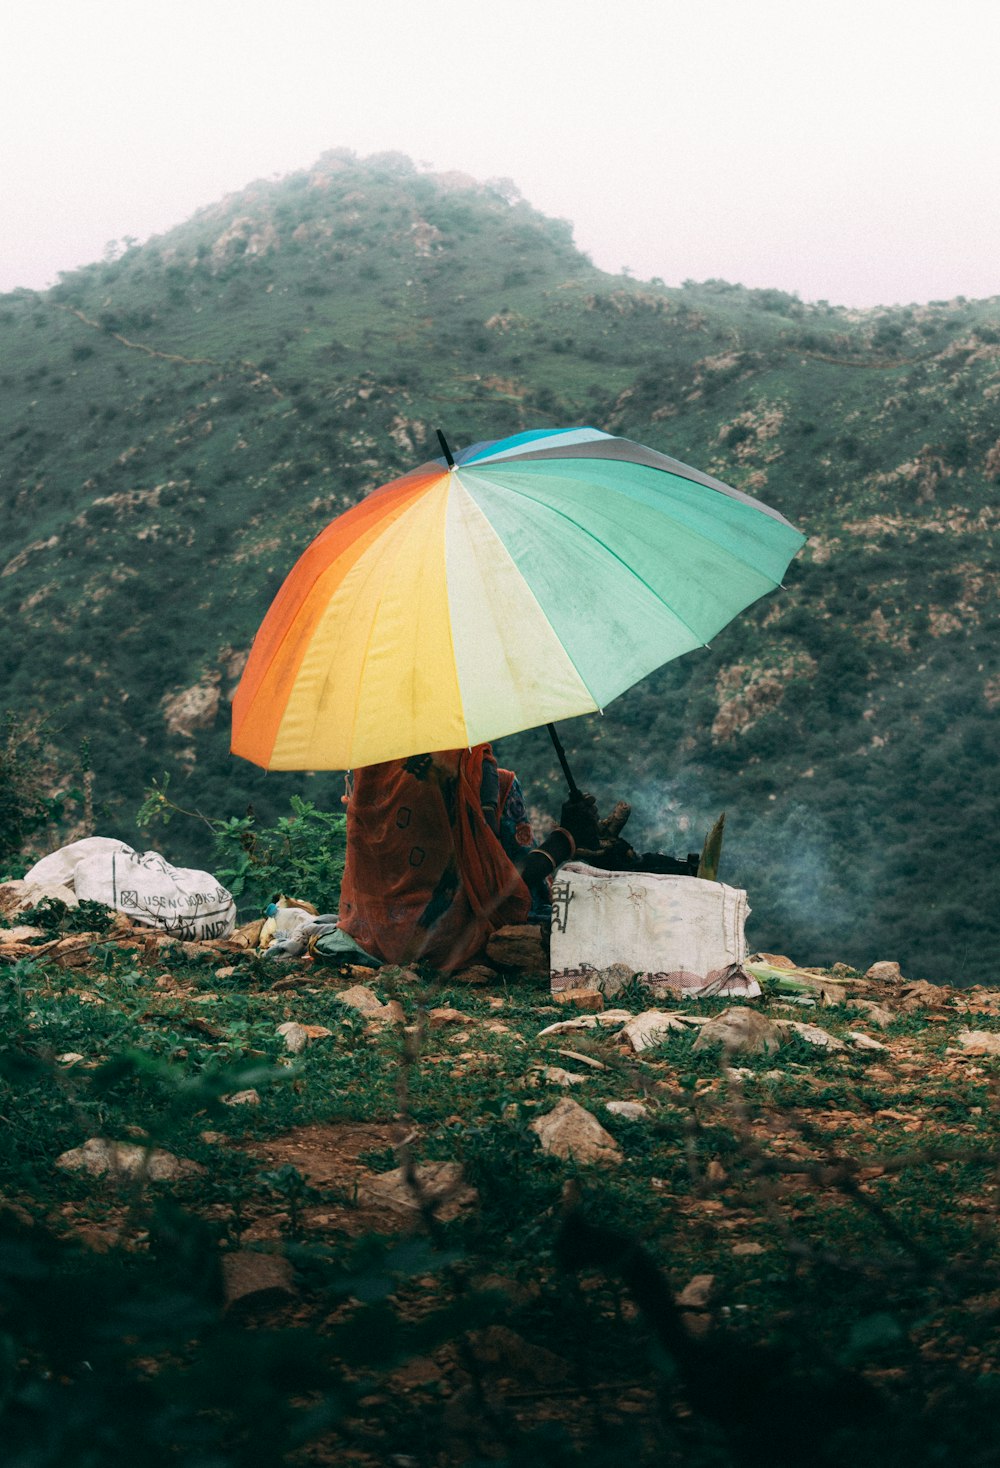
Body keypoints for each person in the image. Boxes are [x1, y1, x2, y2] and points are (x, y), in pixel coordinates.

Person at [336, 744, 594, 973]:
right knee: (503, 784)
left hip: (371, 932)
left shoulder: (368, 766)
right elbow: (496, 886)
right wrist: (565, 839)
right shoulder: (475, 766)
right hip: (444, 941)